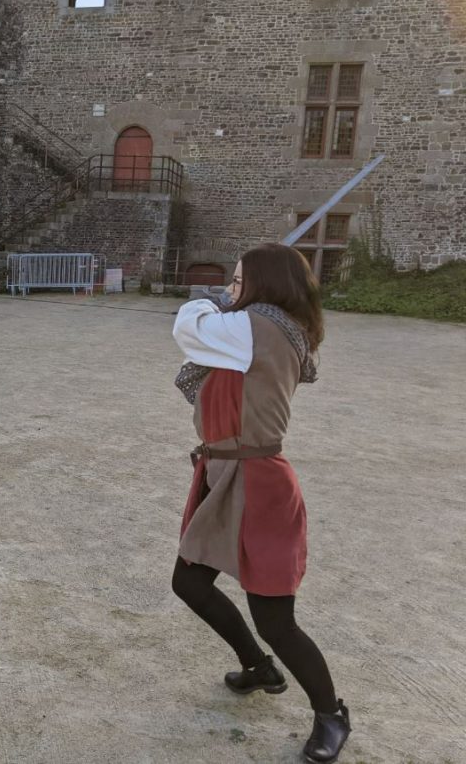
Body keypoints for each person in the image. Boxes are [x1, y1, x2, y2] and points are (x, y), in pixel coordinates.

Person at [170, 243, 351, 764]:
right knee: (189, 582)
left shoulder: (260, 327)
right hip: (221, 472)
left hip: (260, 483)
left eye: (238, 280)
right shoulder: (252, 328)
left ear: (264, 284)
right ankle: (258, 667)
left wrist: (207, 300)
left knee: (276, 618)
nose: (231, 288)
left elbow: (188, 326)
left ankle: (331, 714)